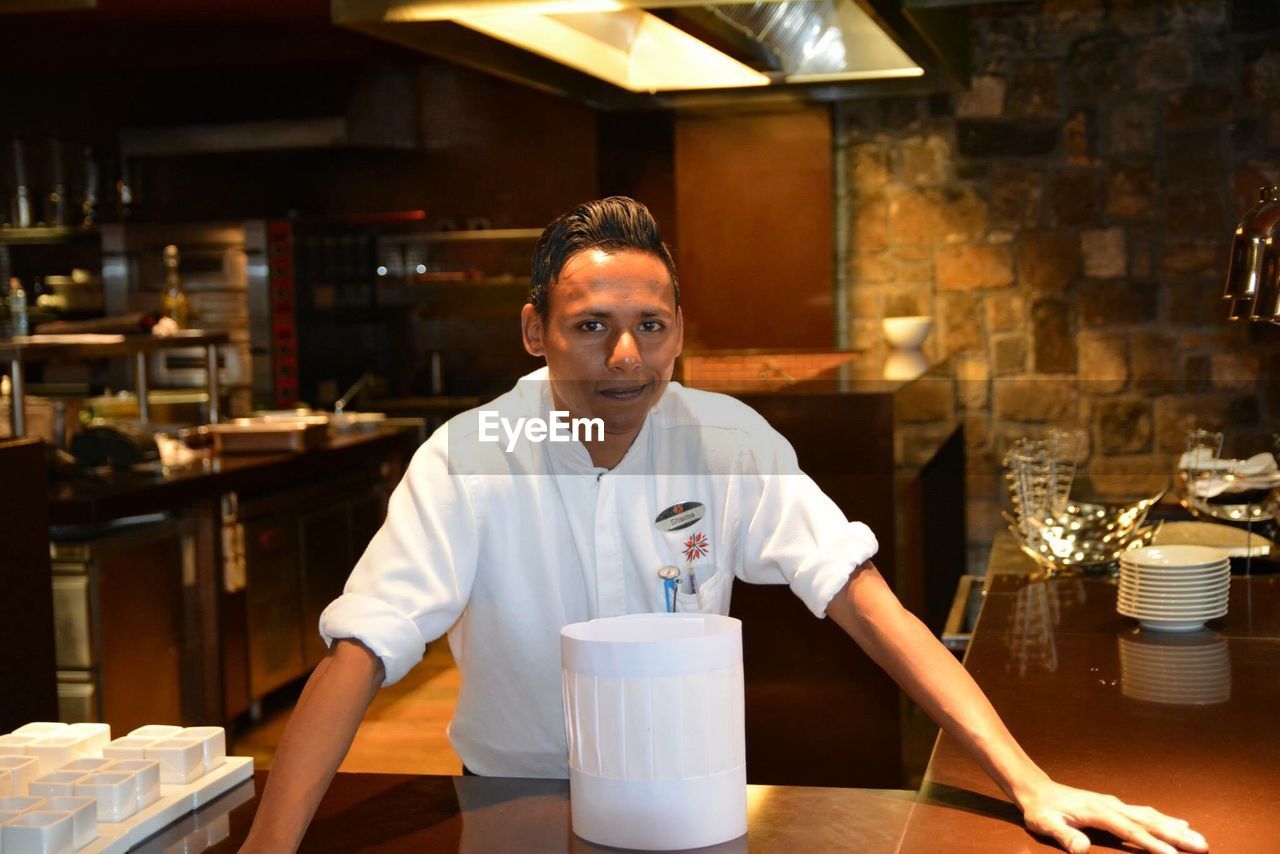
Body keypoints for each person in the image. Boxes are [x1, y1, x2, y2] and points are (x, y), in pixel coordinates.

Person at [241, 197, 1208, 854]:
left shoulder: (725, 438)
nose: (626, 355)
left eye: (651, 326)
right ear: (536, 330)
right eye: (590, 326)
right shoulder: (469, 454)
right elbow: (362, 650)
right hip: (513, 806)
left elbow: (865, 603)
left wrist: (1029, 781)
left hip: (691, 801)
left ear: (678, 328)